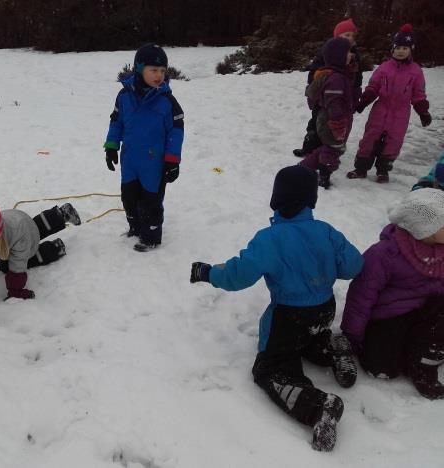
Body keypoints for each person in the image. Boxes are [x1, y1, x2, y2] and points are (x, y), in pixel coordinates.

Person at [190, 165, 364, 451]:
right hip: (324, 309)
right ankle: (331, 349)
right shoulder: (326, 232)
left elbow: (239, 275)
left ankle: (319, 407)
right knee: (309, 339)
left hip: (289, 317)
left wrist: (209, 273)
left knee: (272, 368)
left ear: (276, 201)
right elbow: (354, 265)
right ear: (311, 201)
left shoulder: (269, 239)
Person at [341, 189, 444, 399]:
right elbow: (361, 296)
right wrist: (352, 334)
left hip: (429, 307)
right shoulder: (385, 254)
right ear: (427, 229)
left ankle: (424, 366)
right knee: (383, 369)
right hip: (391, 314)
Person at [103, 43, 184, 252]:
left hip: (154, 163)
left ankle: (151, 236)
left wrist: (172, 161)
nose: (159, 75)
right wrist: (111, 146)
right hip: (130, 160)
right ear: (139, 69)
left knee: (151, 200)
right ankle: (136, 227)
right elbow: (116, 121)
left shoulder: (167, 101)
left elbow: (176, 132)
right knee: (129, 197)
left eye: (163, 71)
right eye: (154, 70)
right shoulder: (124, 96)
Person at [346, 24, 431, 183]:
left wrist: (423, 111)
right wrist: (364, 101)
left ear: (411, 50)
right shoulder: (384, 68)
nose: (401, 51)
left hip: (401, 113)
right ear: (392, 48)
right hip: (381, 109)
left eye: (405, 48)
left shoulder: (416, 71)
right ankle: (361, 168)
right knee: (370, 138)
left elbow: (418, 94)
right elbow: (373, 86)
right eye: (398, 47)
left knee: (394, 141)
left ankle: (383, 171)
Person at [293, 18, 363, 158]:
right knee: (316, 123)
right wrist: (314, 90)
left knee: (335, 126)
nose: (349, 38)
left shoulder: (353, 55)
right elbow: (314, 72)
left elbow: (357, 78)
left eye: (351, 35)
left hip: (342, 98)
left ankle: (327, 152)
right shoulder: (327, 51)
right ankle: (309, 148)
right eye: (346, 35)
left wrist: (355, 96)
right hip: (323, 97)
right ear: (337, 36)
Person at [300, 37, 356, 189]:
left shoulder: (335, 74)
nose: (352, 55)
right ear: (339, 56)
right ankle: (324, 175)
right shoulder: (336, 78)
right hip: (333, 120)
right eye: (348, 52)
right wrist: (338, 124)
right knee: (333, 150)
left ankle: (304, 167)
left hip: (330, 119)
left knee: (327, 147)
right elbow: (334, 102)